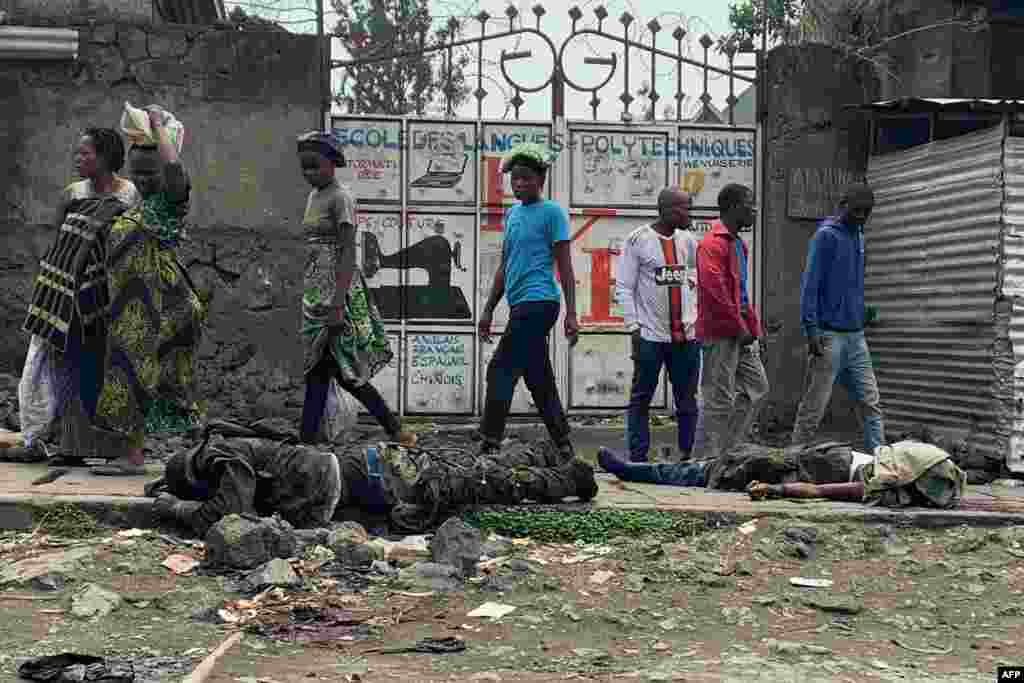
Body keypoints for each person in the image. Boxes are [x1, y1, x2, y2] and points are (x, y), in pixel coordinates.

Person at [146, 420, 599, 537]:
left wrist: (176, 508)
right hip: (363, 483)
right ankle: (541, 456)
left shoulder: (221, 457)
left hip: (371, 473)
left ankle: (567, 478)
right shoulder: (222, 455)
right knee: (469, 478)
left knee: (475, 483)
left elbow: (229, 513)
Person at [67, 107, 207, 476]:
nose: (142, 180)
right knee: (140, 375)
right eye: (137, 172)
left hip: (159, 304)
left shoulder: (170, 203)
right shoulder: (142, 206)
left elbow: (175, 170)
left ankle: (136, 458)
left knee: (135, 374)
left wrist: (159, 126)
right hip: (133, 307)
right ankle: (170, 456)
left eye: (150, 172)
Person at [14, 128, 141, 465]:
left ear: (105, 157)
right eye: (77, 153)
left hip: (105, 295)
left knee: (100, 366)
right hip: (67, 294)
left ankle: (112, 448)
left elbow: (131, 243)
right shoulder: (73, 194)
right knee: (66, 365)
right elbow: (61, 244)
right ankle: (70, 448)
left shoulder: (129, 195)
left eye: (85, 154)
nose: (78, 159)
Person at [296, 131, 414, 448]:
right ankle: (308, 442)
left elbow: (348, 253)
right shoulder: (313, 197)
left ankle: (307, 442)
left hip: (338, 294)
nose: (309, 173)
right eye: (304, 168)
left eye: (315, 166)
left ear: (332, 163)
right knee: (325, 370)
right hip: (315, 295)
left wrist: (338, 303)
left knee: (340, 370)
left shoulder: (340, 198)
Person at [478, 142, 578, 457]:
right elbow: (505, 266)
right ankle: (563, 443)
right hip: (520, 303)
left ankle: (489, 441)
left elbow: (564, 264)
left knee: (499, 369)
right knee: (538, 376)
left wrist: (572, 314)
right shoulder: (513, 215)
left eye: (526, 178)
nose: (519, 184)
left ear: (541, 179)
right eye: (515, 179)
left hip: (541, 302)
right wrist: (488, 309)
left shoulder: (553, 213)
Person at [790, 183, 884, 453]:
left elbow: (853, 283)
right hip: (828, 335)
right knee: (815, 404)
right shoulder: (826, 236)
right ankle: (793, 455)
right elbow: (810, 285)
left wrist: (861, 312)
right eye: (856, 211)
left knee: (870, 400)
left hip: (855, 336)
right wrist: (811, 329)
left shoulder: (860, 236)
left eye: (866, 213)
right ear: (842, 205)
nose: (861, 217)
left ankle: (881, 459)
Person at [615, 187, 701, 462]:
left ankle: (689, 455)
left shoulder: (689, 241)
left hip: (686, 337)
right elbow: (624, 287)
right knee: (641, 398)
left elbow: (694, 278)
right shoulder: (638, 240)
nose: (690, 213)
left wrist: (696, 318)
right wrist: (634, 327)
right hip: (650, 336)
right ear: (667, 210)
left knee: (687, 399)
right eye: (685, 208)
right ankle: (638, 458)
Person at [696, 183, 769, 486]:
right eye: (750, 204)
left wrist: (753, 328)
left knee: (757, 388)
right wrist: (738, 326)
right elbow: (716, 291)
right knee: (719, 397)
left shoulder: (739, 244)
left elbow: (740, 293)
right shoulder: (711, 243)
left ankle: (728, 451)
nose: (755, 209)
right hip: (719, 332)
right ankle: (711, 463)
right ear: (733, 206)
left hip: (739, 332)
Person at [747, 440, 965, 510]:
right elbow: (817, 490)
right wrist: (773, 489)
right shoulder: (882, 484)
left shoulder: (907, 462)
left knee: (759, 459)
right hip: (829, 465)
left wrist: (772, 488)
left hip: (837, 453)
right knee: (751, 464)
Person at [598, 440, 871, 491]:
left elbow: (823, 492)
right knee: (716, 462)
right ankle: (634, 468)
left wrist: (779, 490)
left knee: (705, 472)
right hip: (803, 456)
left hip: (793, 470)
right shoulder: (896, 460)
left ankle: (629, 470)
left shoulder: (880, 484)